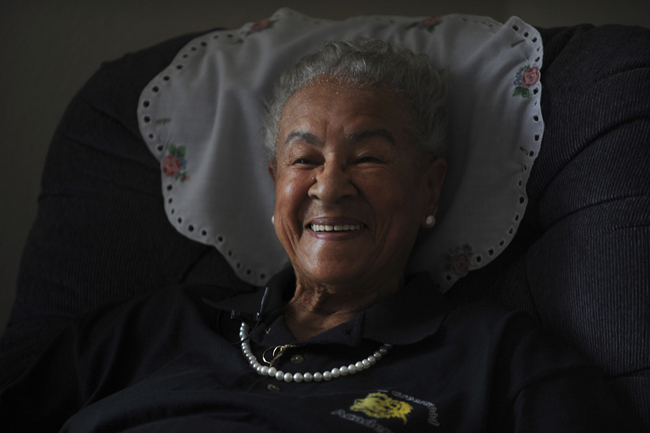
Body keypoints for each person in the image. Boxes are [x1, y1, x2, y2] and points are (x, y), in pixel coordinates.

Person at [0, 40, 638, 432]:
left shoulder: (503, 360)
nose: (328, 187)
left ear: (429, 189)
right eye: (304, 160)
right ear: (276, 181)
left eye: (368, 157)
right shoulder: (156, 329)